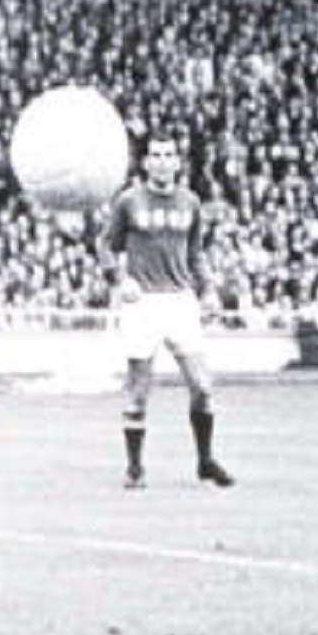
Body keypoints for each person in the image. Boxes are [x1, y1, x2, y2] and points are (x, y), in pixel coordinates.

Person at [105, 131, 233, 489]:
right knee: (139, 391)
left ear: (177, 162)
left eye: (168, 155)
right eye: (155, 155)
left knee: (203, 386)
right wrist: (120, 279)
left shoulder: (190, 203)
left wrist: (208, 290)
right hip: (142, 302)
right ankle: (135, 469)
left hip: (180, 301)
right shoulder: (128, 202)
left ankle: (205, 461)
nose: (162, 161)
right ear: (146, 163)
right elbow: (105, 246)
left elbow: (195, 254)